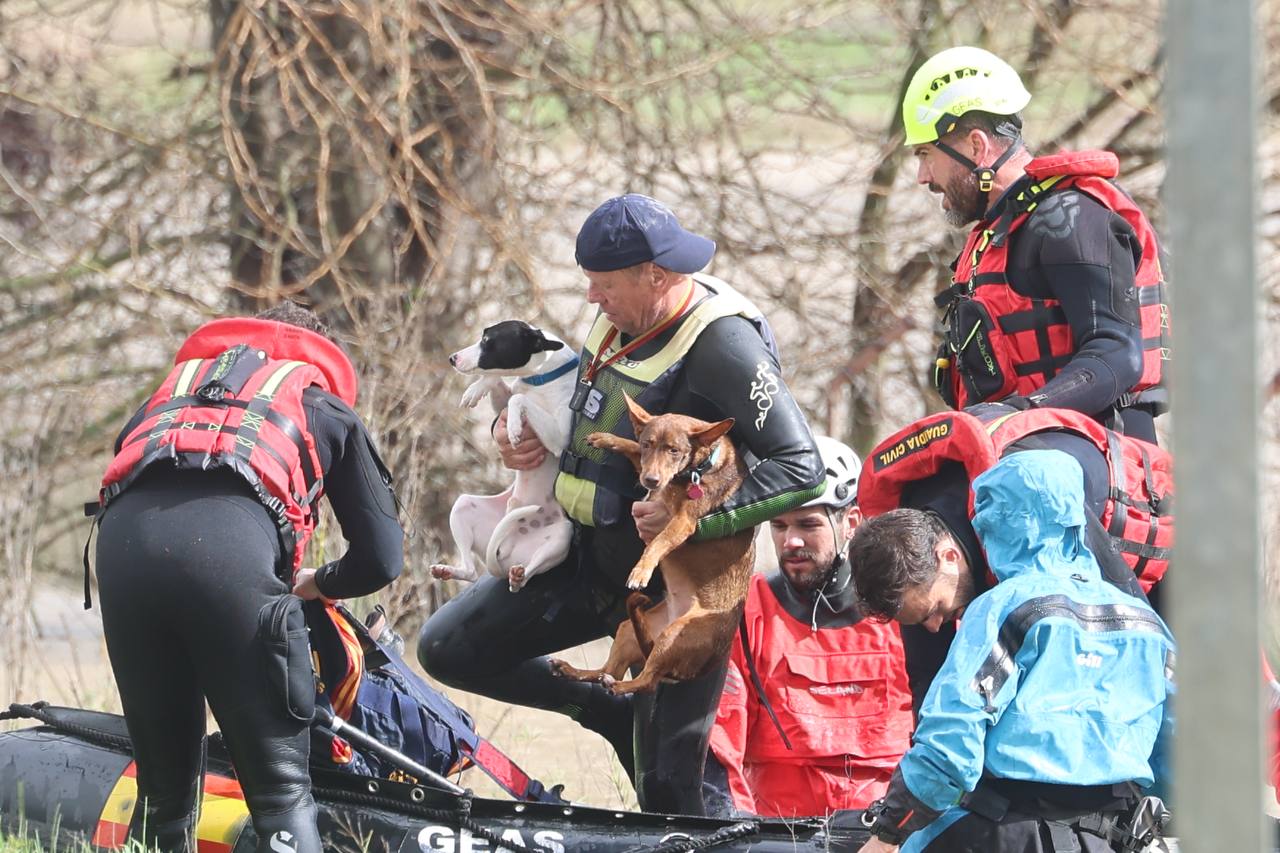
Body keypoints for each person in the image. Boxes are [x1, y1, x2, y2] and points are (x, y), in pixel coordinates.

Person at [417, 193, 825, 816]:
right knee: (448, 649)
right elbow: (576, 406)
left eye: (602, 284)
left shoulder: (724, 345)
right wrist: (513, 432)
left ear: (654, 276)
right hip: (589, 561)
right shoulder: (623, 316)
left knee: (665, 795)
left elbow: (801, 469)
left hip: (678, 593)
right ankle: (605, 708)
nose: (589, 298)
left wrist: (692, 514)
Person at [93, 303, 404, 853]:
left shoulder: (170, 395)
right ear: (317, 355)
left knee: (164, 792)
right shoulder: (321, 404)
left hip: (123, 559)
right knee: (280, 793)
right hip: (227, 569)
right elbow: (381, 559)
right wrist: (321, 581)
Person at [854, 450, 1174, 852]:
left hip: (1008, 833)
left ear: (992, 524)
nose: (935, 627)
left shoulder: (1005, 607)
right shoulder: (1146, 623)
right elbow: (1180, 746)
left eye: (932, 610)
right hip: (1110, 839)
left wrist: (889, 830)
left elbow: (950, 742)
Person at [903, 45, 1170, 443]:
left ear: (976, 146)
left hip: (1095, 467)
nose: (923, 176)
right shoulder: (1001, 232)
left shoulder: (1068, 219)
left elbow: (1117, 354)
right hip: (1023, 458)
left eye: (926, 154)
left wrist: (1018, 415)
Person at [851, 402, 1172, 711]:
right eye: (922, 619)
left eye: (933, 611)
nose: (934, 626)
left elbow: (1131, 617)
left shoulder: (1027, 507)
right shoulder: (912, 567)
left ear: (947, 555)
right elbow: (927, 678)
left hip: (1161, 550)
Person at [704, 436, 913, 818]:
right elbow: (720, 738)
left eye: (808, 524)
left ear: (851, 522)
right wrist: (739, 830)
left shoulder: (905, 610)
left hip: (888, 829)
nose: (791, 541)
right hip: (781, 831)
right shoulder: (747, 612)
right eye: (779, 526)